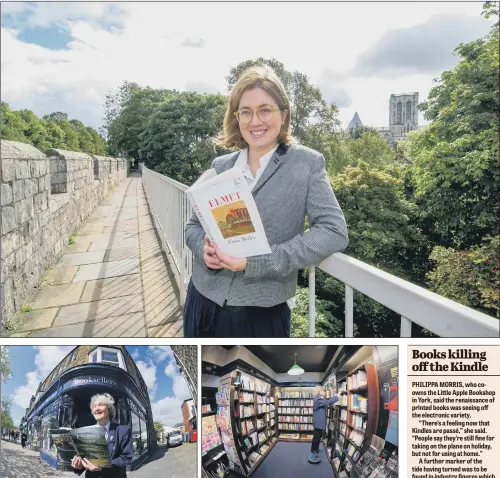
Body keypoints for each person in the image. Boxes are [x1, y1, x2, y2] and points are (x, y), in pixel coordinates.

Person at [184, 65, 349, 338]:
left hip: (260, 314)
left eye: (265, 110)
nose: (255, 121)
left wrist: (258, 261)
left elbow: (333, 232)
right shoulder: (221, 165)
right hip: (201, 299)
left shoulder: (307, 163)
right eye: (245, 112)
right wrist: (203, 249)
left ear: (283, 115)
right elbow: (192, 226)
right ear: (236, 117)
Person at [71, 393, 133, 478]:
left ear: (109, 408)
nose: (96, 408)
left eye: (100, 405)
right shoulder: (86, 432)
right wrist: (78, 466)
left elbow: (125, 459)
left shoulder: (123, 430)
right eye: (94, 406)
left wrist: (103, 467)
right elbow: (85, 458)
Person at [309, 386, 339, 464]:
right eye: (323, 390)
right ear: (319, 391)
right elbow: (327, 402)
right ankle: (313, 450)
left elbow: (326, 401)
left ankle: (315, 449)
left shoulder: (318, 398)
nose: (324, 391)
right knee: (316, 437)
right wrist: (337, 397)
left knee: (318, 436)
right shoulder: (318, 399)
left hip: (318, 421)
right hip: (318, 422)